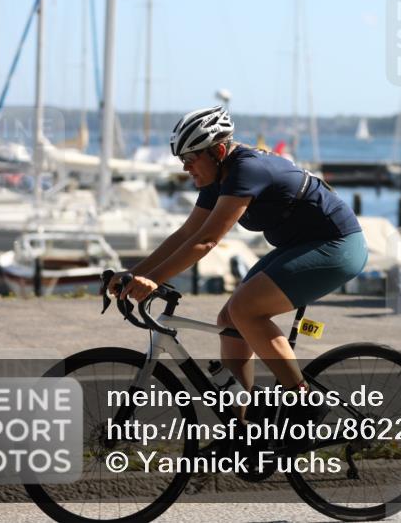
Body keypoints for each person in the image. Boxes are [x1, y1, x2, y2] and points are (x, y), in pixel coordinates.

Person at [110, 105, 367, 418]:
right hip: (301, 244)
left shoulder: (247, 169)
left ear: (218, 150)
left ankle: (304, 404)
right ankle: (239, 426)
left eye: (191, 159)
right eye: (182, 161)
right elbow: (188, 233)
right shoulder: (217, 176)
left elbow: (206, 241)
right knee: (229, 321)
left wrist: (155, 279)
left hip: (338, 245)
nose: (186, 168)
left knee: (245, 309)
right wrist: (134, 274)